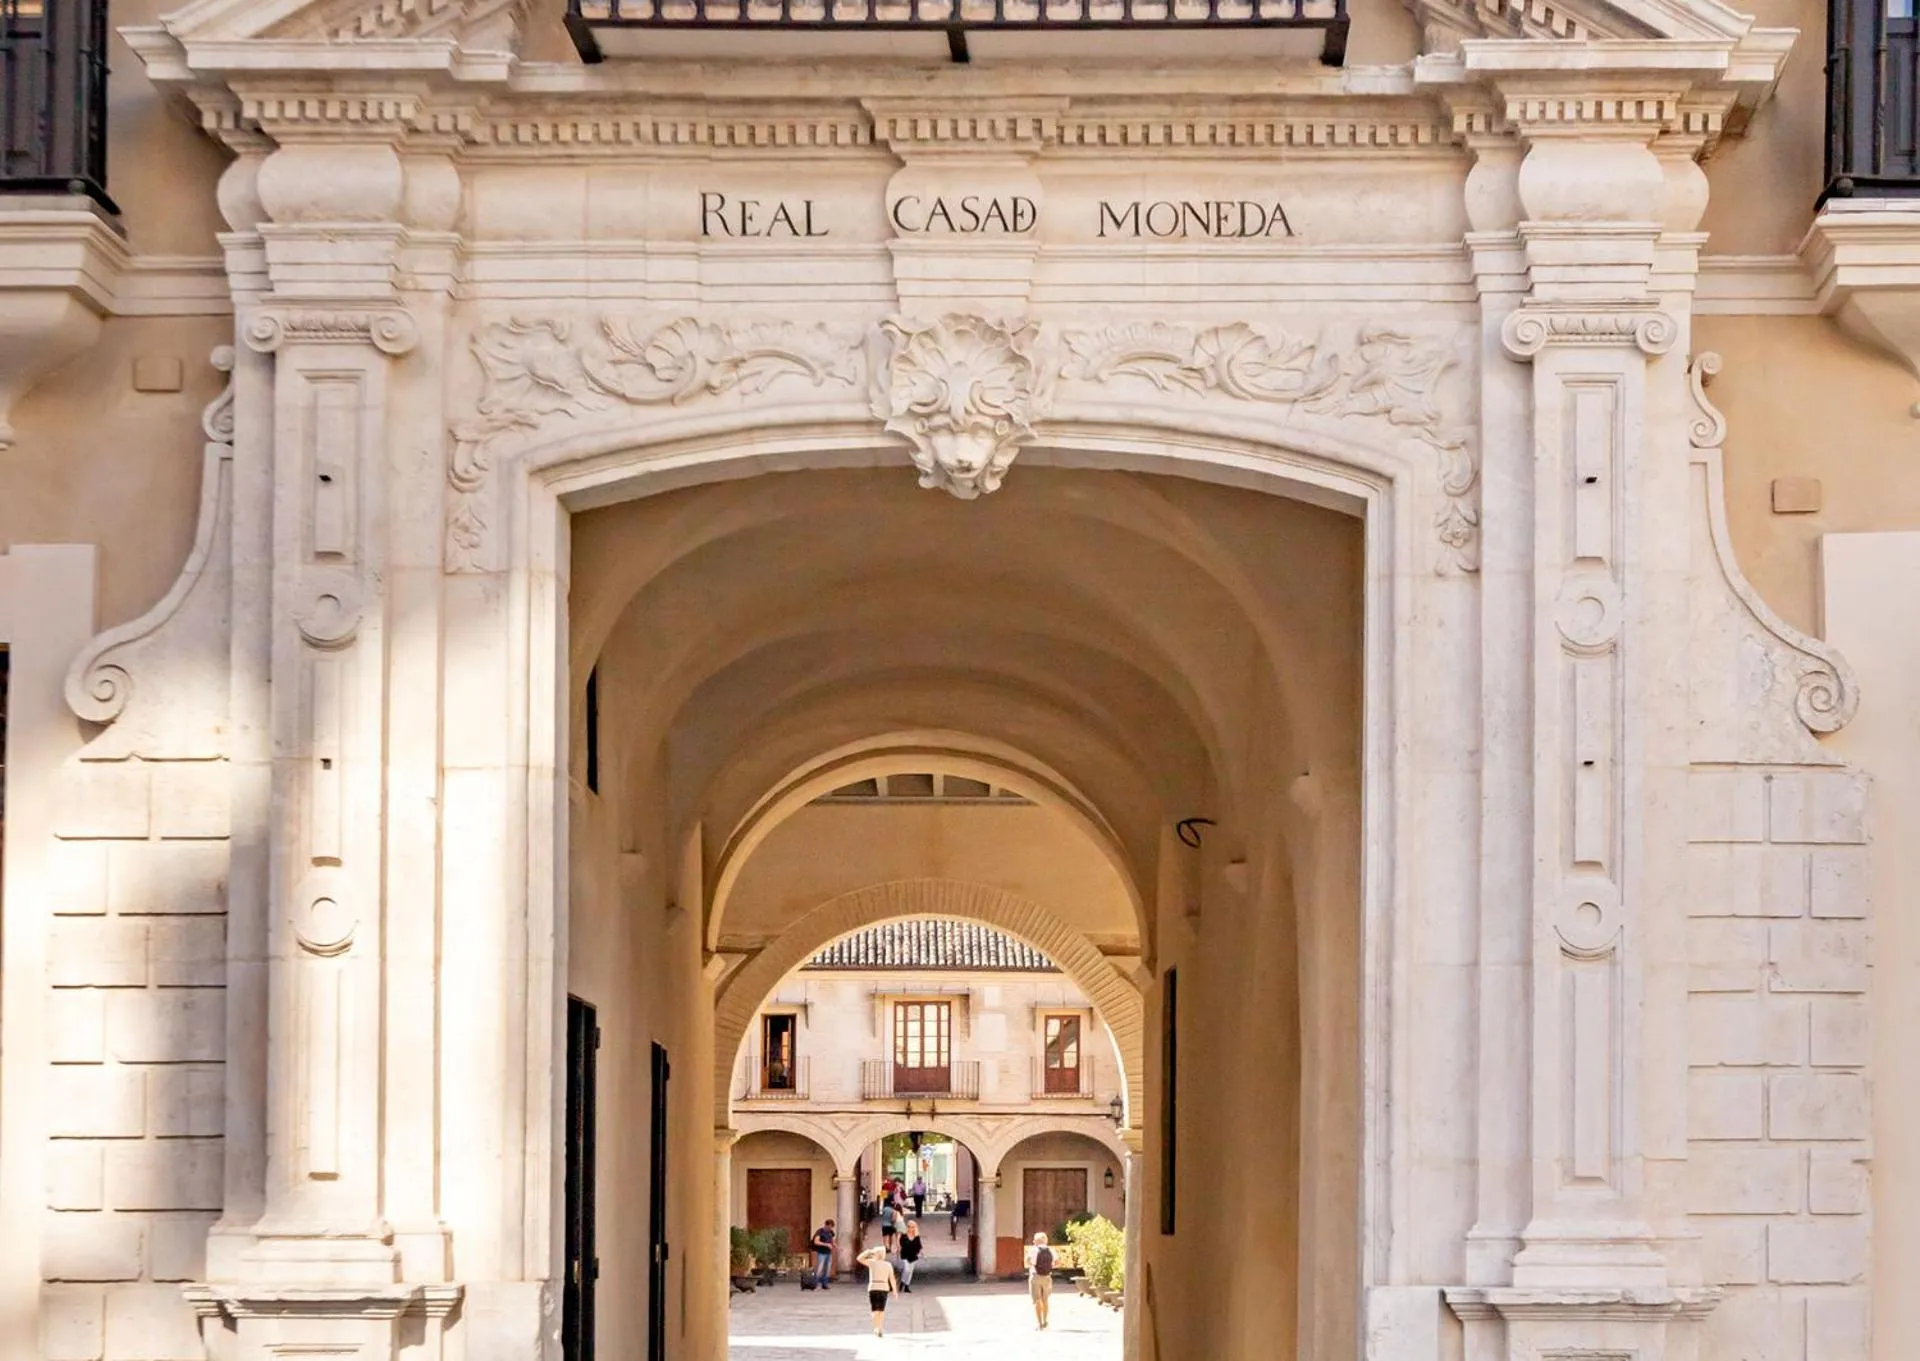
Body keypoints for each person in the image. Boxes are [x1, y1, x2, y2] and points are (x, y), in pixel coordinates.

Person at [857, 1245, 898, 1338]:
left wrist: (868, 1251)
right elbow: (892, 1278)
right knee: (881, 1309)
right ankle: (880, 1327)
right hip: (884, 1287)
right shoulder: (888, 1265)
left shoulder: (872, 1263)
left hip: (873, 1287)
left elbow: (859, 1258)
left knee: (874, 1309)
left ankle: (876, 1327)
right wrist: (895, 1291)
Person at [1024, 1231, 1055, 1330]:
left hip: (1035, 1277)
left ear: (1036, 1241)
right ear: (1045, 1240)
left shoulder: (1033, 1250)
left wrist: (1032, 1264)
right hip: (1047, 1277)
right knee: (1045, 1300)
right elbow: (1057, 1262)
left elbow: (1027, 1261)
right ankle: (1045, 1320)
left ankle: (1039, 1323)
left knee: (1037, 1300)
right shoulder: (1051, 1250)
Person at [808, 1218, 836, 1289]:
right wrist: (826, 1244)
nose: (830, 1228)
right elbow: (816, 1242)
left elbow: (832, 1240)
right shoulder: (820, 1232)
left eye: (831, 1227)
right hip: (822, 1253)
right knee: (820, 1268)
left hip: (829, 1253)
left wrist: (835, 1245)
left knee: (827, 1269)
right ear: (826, 1225)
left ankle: (825, 1284)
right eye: (829, 1227)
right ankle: (815, 1283)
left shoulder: (831, 1232)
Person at [899, 1219, 923, 1292]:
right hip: (905, 1255)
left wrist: (921, 1253)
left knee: (910, 1272)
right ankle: (902, 1282)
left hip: (913, 1256)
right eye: (909, 1226)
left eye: (913, 1227)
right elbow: (901, 1244)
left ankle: (906, 1286)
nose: (911, 1228)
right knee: (907, 1270)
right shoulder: (904, 1236)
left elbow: (919, 1246)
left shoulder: (917, 1237)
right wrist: (897, 1250)